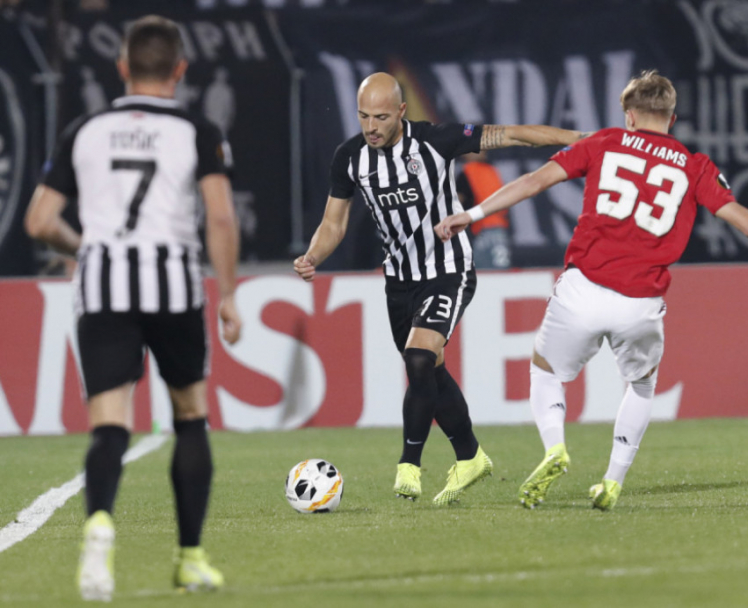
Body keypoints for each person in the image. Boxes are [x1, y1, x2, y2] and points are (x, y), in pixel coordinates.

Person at [435, 70, 748, 510]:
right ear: (672, 119)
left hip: (583, 288)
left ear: (629, 115)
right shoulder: (694, 166)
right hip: (641, 302)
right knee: (641, 386)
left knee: (546, 372)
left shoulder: (605, 142)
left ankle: (555, 447)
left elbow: (534, 181)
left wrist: (472, 214)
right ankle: (612, 481)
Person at [293, 72, 587, 505]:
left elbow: (512, 134)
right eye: (363, 116)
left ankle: (409, 466)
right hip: (399, 281)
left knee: (418, 357)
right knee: (427, 371)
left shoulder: (434, 140)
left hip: (449, 269)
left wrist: (582, 138)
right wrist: (313, 256)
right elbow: (333, 223)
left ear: (401, 111)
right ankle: (470, 456)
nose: (371, 127)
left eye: (380, 117)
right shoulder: (350, 157)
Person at [24, 15, 241, 600]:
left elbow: (39, 221)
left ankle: (99, 523)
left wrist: (83, 248)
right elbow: (221, 217)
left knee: (110, 422)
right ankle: (191, 558)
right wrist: (228, 294)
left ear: (121, 67)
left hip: (104, 289)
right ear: (180, 70)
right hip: (172, 286)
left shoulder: (85, 129)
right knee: (189, 415)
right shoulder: (196, 130)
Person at [456, 151, 512, 269]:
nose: (482, 152)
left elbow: (457, 203)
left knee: (482, 269)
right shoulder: (488, 170)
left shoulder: (473, 171)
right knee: (499, 268)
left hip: (484, 228)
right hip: (492, 227)